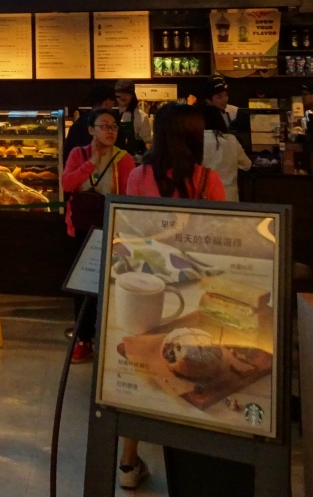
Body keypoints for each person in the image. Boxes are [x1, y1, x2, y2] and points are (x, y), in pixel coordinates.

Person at [116, 103, 225, 490]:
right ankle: (194, 460)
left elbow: (130, 230)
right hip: (193, 289)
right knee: (191, 370)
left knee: (145, 370)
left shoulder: (138, 175)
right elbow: (221, 233)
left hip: (145, 284)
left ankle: (128, 463)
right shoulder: (207, 180)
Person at [61, 107, 133, 363]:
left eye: (113, 126)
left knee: (109, 286)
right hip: (80, 228)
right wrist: (91, 162)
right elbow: (67, 184)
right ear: (91, 130)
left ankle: (107, 338)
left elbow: (128, 196)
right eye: (104, 126)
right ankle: (83, 339)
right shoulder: (78, 154)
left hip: (111, 229)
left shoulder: (124, 159)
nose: (110, 131)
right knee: (82, 285)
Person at [202, 102, 251, 201]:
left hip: (205, 195)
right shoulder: (231, 139)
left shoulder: (196, 139)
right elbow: (247, 165)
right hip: (229, 195)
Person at [63, 81, 118, 162]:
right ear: (106, 103)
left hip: (80, 167)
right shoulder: (112, 125)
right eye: (112, 102)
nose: (113, 105)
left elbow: (66, 154)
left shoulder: (78, 124)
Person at [114, 79, 152, 155]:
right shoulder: (108, 115)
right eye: (120, 92)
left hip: (133, 158)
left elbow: (147, 143)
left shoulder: (141, 117)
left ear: (132, 95)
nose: (123, 95)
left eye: (127, 92)